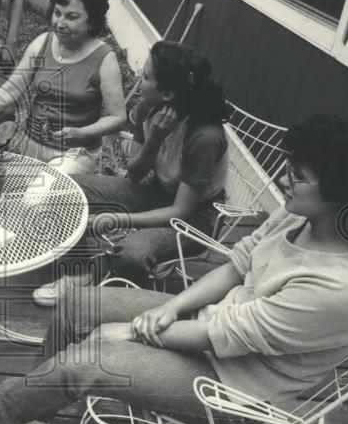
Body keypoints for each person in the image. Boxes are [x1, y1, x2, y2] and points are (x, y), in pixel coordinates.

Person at [0, 115, 348, 424]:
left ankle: (3, 407)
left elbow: (227, 338)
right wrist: (170, 310)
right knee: (78, 308)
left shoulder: (339, 287)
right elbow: (236, 267)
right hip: (210, 331)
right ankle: (30, 418)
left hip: (236, 386)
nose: (282, 179)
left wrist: (136, 331)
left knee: (92, 357)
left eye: (297, 176)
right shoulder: (296, 216)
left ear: (342, 195)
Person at [32, 40, 230, 305]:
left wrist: (117, 218)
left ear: (168, 93)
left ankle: (122, 301)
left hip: (193, 219)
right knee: (64, 188)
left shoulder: (204, 136)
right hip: (154, 189)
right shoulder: (149, 108)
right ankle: (79, 274)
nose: (138, 79)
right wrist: (155, 139)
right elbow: (135, 174)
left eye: (146, 77)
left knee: (131, 255)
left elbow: (179, 213)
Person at [0, 0, 126, 176]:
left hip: (75, 153)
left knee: (38, 199)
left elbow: (117, 117)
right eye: (57, 13)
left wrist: (80, 132)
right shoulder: (43, 42)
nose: (60, 23)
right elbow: (11, 90)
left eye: (71, 17)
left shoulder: (104, 59)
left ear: (91, 21)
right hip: (30, 145)